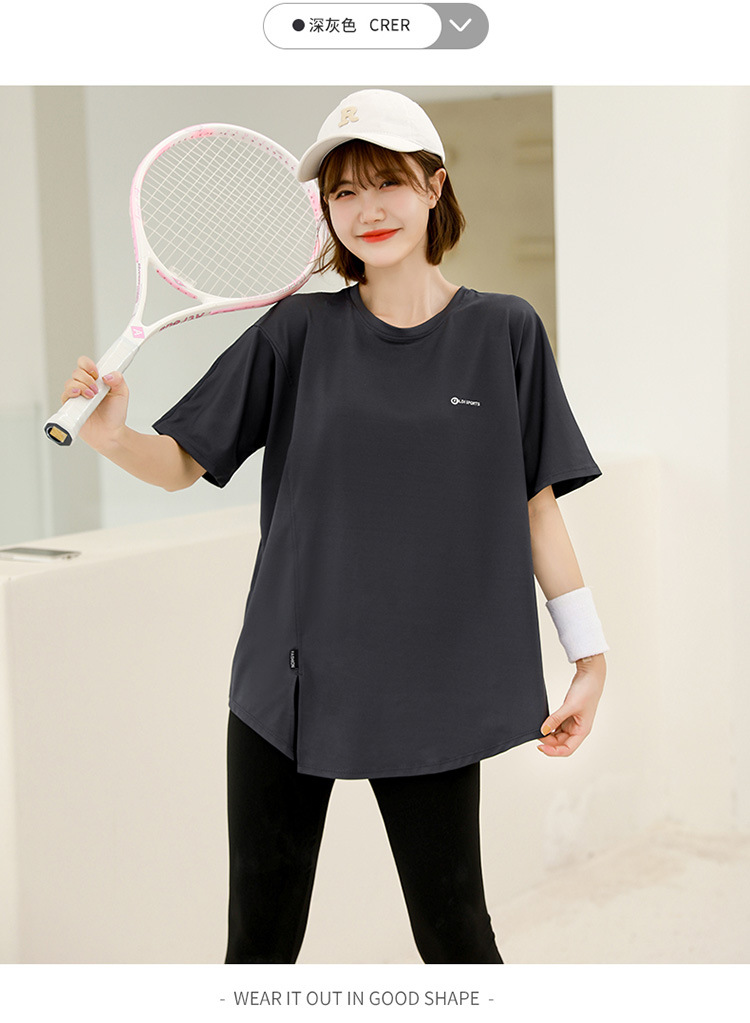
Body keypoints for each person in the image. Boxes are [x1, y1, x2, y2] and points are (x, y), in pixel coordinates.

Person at [60, 89, 608, 965]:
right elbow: (182, 461)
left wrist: (589, 658)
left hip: (427, 689)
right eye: (344, 192)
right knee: (259, 947)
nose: (366, 209)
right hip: (288, 686)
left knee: (456, 938)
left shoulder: (505, 331)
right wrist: (113, 435)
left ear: (435, 187)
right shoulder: (297, 332)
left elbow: (535, 507)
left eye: (387, 182)